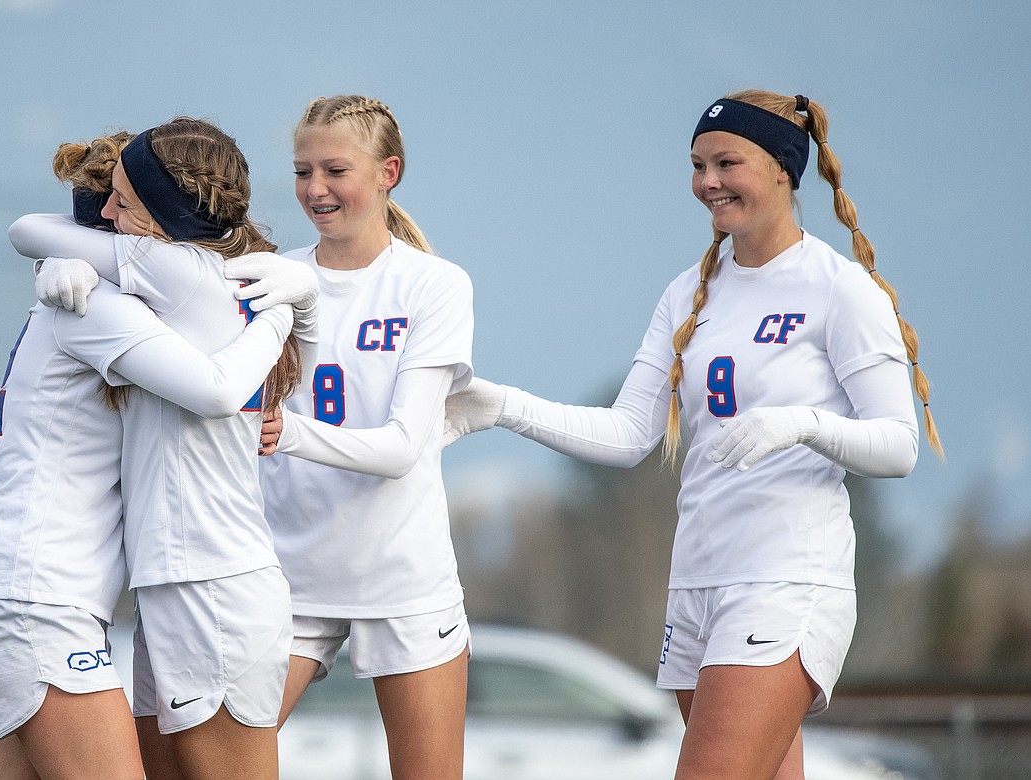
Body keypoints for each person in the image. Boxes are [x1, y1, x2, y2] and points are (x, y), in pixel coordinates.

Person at [442, 89, 943, 780]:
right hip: (697, 586)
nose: (708, 182)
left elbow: (899, 446)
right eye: (698, 164)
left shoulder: (840, 289)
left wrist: (803, 424)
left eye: (726, 162)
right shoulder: (688, 292)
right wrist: (502, 405)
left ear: (781, 170)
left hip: (787, 581)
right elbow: (626, 436)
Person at [0, 131, 303, 780]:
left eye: (125, 203)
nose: (111, 216)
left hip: (112, 597)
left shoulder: (133, 289)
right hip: (45, 603)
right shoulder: (107, 301)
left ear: (164, 217)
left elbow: (31, 231)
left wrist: (293, 304)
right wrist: (293, 304)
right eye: (108, 203)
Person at [221, 95, 475, 780]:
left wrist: (291, 433)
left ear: (389, 171)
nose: (315, 189)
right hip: (288, 577)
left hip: (403, 579)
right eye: (303, 171)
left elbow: (399, 450)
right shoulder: (270, 275)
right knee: (206, 764)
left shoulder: (435, 285)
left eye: (336, 170)